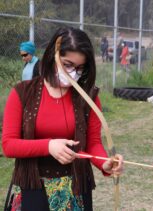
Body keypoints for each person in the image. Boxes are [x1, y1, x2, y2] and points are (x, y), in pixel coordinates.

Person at [2, 27, 123, 211]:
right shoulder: (22, 92)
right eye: (67, 64)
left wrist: (104, 163)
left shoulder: (88, 97)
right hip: (32, 187)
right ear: (53, 55)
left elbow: (93, 143)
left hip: (75, 188)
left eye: (80, 68)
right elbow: (9, 145)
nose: (73, 73)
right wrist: (49, 146)